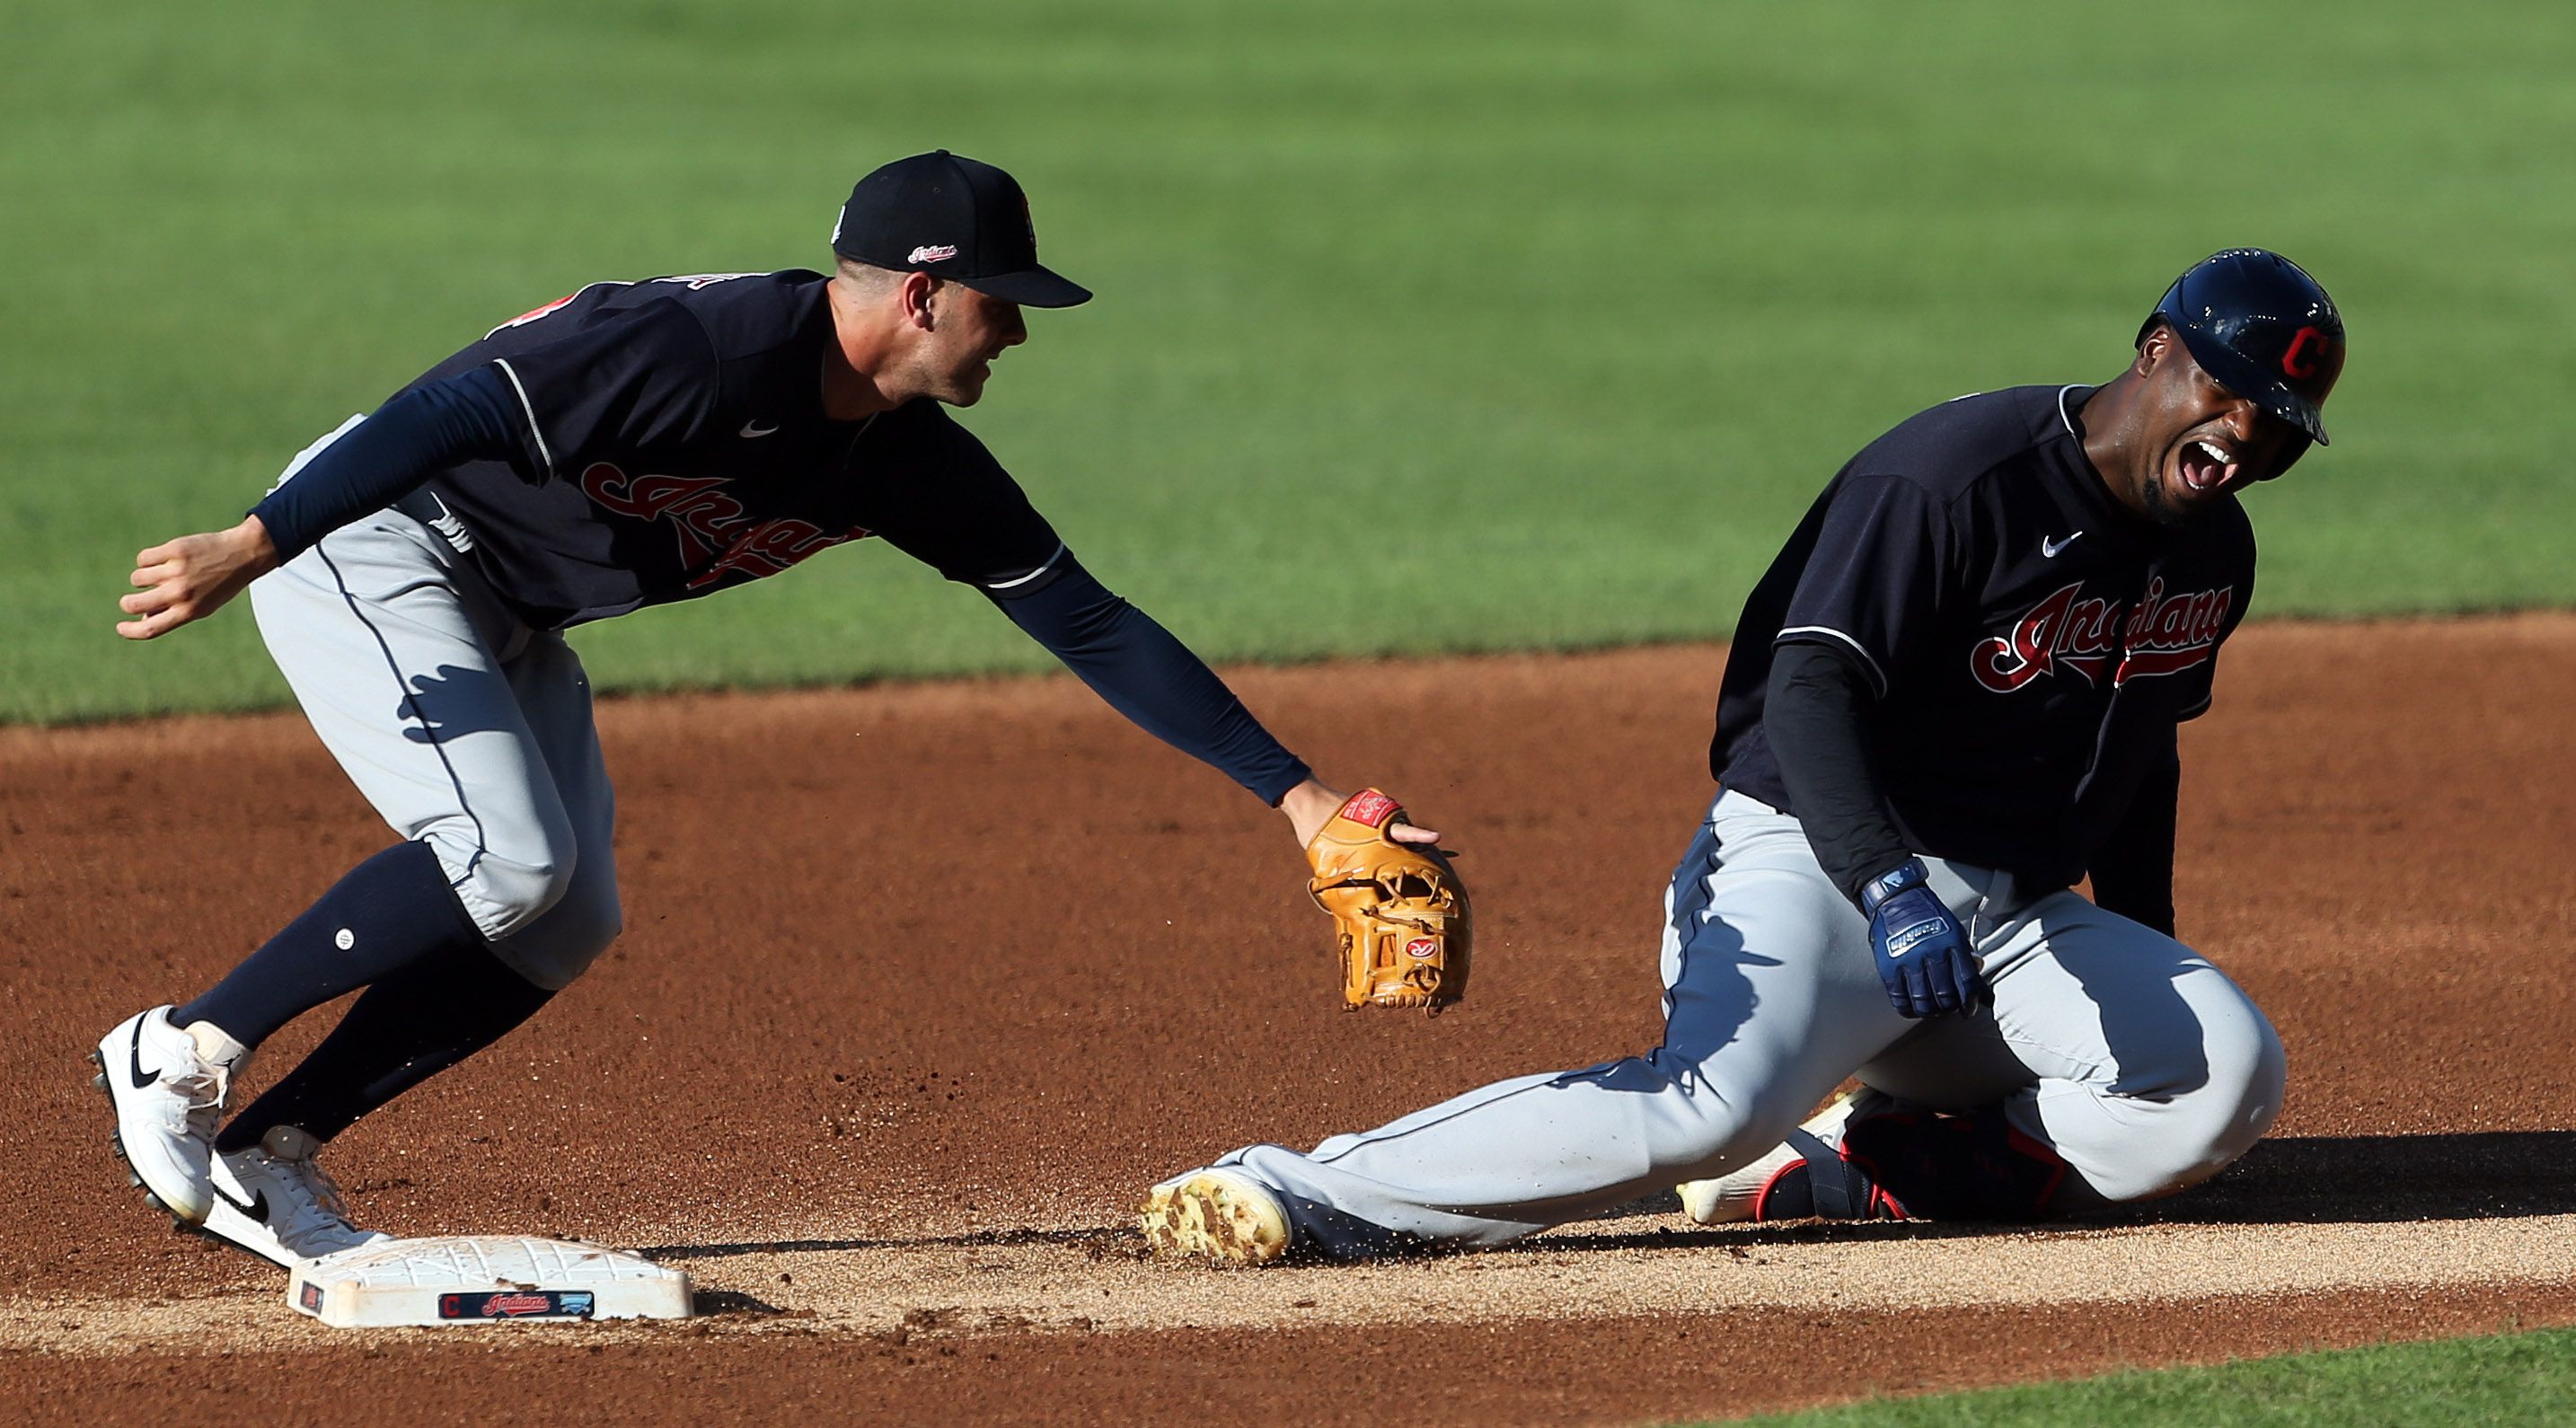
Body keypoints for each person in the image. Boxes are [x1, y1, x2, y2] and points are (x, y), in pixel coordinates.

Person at [94, 149, 1439, 1267]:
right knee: (507, 860)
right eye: (1002, 302)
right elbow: (451, 405)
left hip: (507, 609)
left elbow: (1086, 618)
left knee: (567, 917)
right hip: (377, 539)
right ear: (923, 295)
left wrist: (1301, 795)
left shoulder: (908, 463)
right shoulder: (702, 345)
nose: (1019, 330)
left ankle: (277, 1150)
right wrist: (256, 539)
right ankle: (181, 1047)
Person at [1141, 249, 2343, 1264]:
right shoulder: (1952, 479)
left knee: (2223, 1080)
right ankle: (1306, 1189)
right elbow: (1810, 690)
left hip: (2009, 924)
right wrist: (1885, 883)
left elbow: (2143, 748)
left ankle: (1853, 1163)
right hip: (1820, 869)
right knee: (1698, 1111)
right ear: (2154, 353)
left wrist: (2150, 932)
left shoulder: (2213, 555)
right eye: (2227, 392)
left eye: (2278, 428)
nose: (2243, 435)